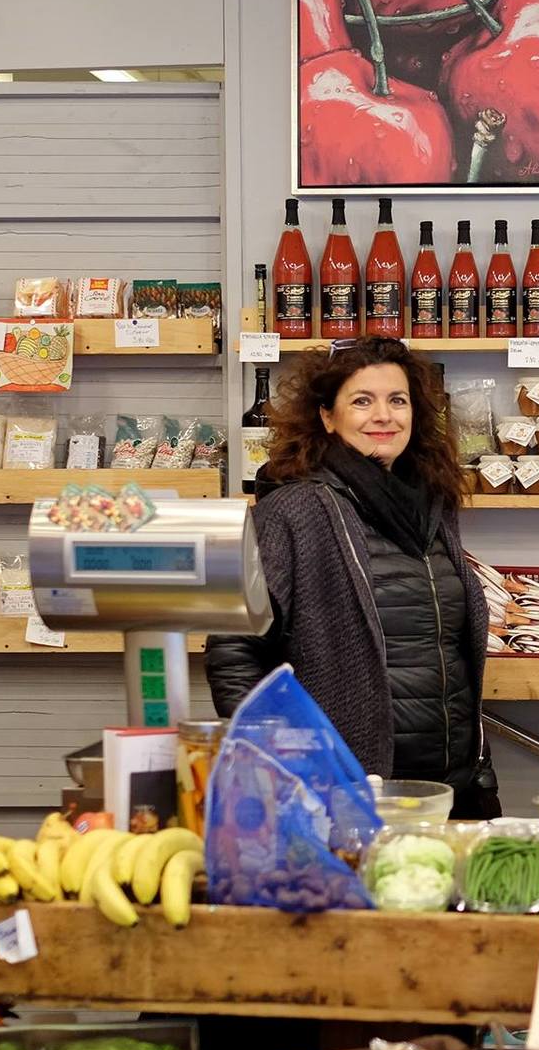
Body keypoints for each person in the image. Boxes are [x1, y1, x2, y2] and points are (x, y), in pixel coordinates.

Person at [206, 336, 498, 817]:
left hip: (449, 789)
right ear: (327, 416)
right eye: (362, 401)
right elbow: (234, 650)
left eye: (397, 400)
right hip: (342, 792)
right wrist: (282, 765)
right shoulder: (293, 511)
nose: (384, 416)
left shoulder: (431, 505)